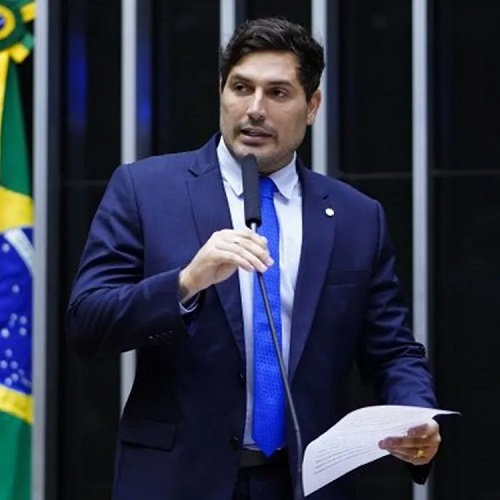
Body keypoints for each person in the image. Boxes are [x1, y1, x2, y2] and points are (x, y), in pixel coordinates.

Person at [66, 17, 441, 500]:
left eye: (278, 93)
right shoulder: (146, 190)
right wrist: (185, 283)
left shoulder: (356, 217)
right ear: (221, 92)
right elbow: (87, 323)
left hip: (304, 481)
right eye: (241, 88)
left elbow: (391, 349)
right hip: (177, 480)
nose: (255, 109)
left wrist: (415, 416)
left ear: (312, 106)